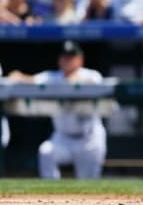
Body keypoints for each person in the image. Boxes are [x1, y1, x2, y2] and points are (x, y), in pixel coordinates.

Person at [7, 41, 106, 179]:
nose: (67, 60)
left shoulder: (91, 75)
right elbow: (31, 80)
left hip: (89, 139)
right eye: (64, 57)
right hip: (62, 138)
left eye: (71, 57)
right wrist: (18, 76)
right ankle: (50, 198)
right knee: (46, 152)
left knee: (89, 183)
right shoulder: (53, 77)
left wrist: (68, 81)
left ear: (80, 60)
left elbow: (92, 82)